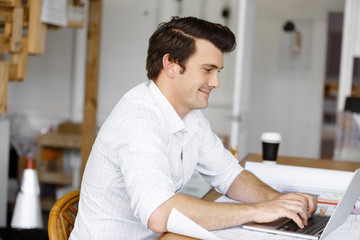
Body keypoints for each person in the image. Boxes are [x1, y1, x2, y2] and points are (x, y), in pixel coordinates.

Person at [69, 16, 317, 239]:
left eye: (218, 71)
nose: (216, 82)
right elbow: (159, 213)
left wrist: (282, 201)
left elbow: (230, 176)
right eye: (207, 70)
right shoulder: (138, 122)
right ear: (171, 65)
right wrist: (257, 211)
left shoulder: (190, 117)